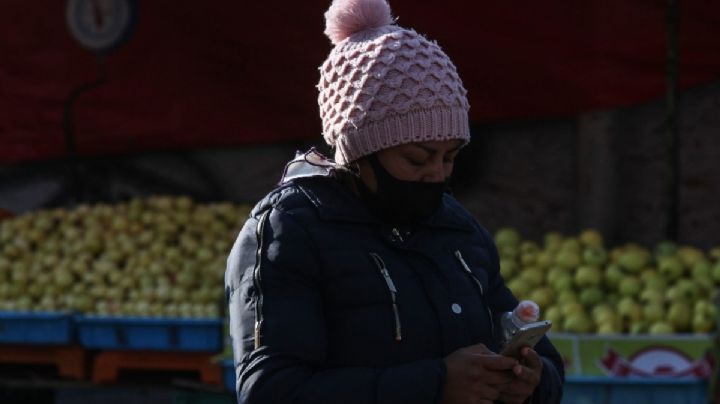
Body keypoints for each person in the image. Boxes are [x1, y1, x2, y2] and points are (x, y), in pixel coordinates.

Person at [225, 0, 564, 403]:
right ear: (360, 152)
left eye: (450, 157)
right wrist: (435, 385)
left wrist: (532, 381)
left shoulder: (456, 230)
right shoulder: (289, 231)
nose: (437, 175)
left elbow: (543, 360)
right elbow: (269, 391)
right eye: (417, 158)